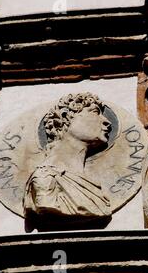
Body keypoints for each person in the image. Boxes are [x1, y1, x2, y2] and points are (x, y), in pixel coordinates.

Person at [24, 93, 112, 231]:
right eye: (95, 112)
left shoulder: (93, 187)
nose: (107, 121)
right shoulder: (45, 180)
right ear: (65, 117)